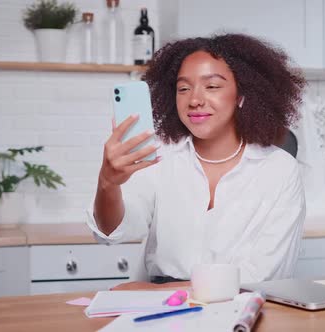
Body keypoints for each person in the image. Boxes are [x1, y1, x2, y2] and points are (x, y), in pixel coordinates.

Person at [86, 33, 306, 288]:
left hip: (241, 311)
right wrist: (108, 183)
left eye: (212, 86)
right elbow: (112, 232)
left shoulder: (279, 169)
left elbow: (265, 276)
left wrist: (155, 291)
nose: (194, 100)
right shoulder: (160, 156)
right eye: (183, 88)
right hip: (163, 317)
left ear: (242, 95)